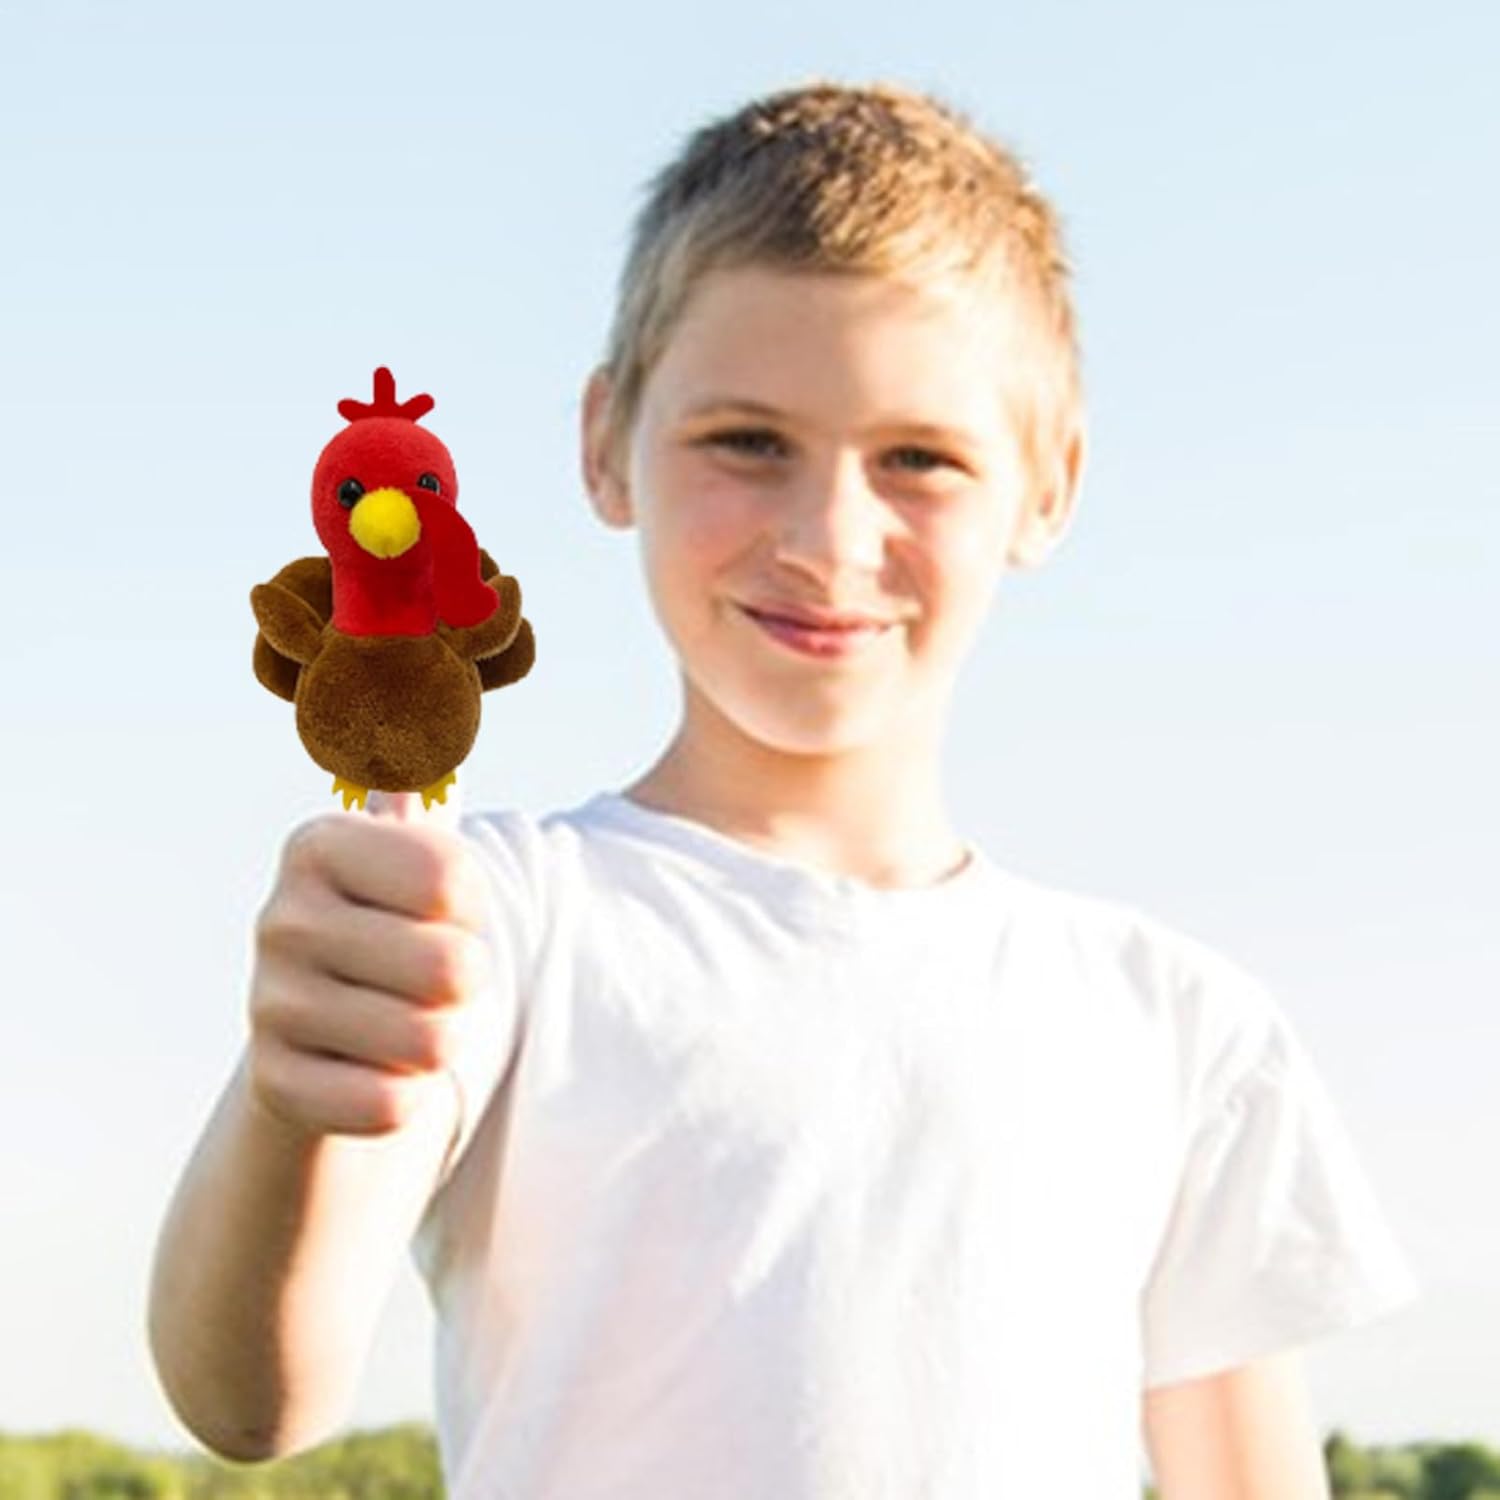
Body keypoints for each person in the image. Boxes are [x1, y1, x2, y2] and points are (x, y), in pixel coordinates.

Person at [149, 81, 1420, 1499]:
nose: (827, 539)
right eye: (748, 441)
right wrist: (294, 1092)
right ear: (606, 442)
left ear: (1049, 485)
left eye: (920, 459)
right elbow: (250, 1396)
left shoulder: (1177, 1027)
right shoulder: (488, 923)